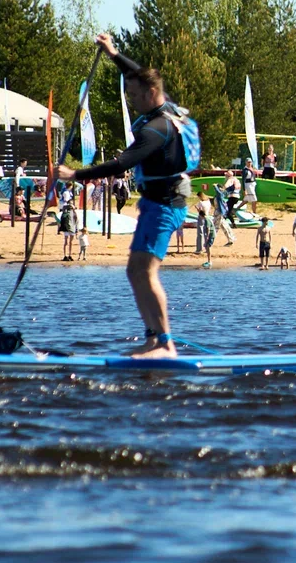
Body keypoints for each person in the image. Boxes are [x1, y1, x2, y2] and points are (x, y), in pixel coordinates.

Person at [57, 33, 199, 357]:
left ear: (150, 94)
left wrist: (75, 174)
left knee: (145, 272)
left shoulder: (157, 129)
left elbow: (121, 164)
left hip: (166, 204)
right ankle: (153, 339)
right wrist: (113, 53)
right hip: (154, 202)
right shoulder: (164, 106)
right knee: (134, 271)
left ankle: (165, 345)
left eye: (134, 95)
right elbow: (137, 73)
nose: (131, 98)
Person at [196, 191, 215, 268]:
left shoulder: (201, 202)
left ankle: (199, 249)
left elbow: (208, 228)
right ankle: (207, 256)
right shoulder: (208, 202)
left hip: (203, 217)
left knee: (200, 233)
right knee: (205, 238)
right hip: (207, 215)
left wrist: (197, 208)